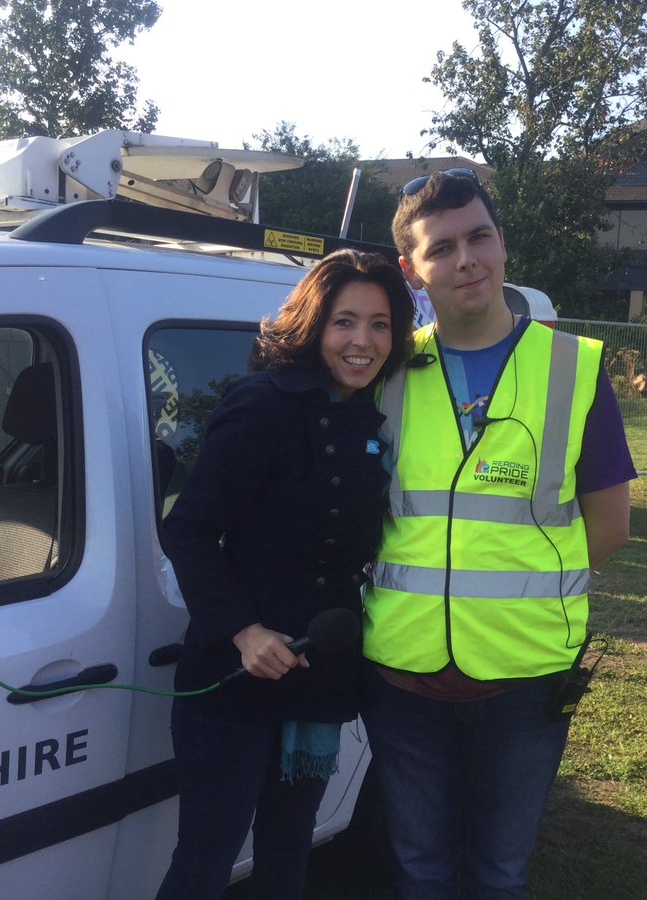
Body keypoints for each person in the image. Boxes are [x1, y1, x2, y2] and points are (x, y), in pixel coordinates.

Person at [361, 169, 637, 900]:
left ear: (503, 243)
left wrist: (513, 601)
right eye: (442, 247)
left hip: (524, 677)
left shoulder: (574, 369)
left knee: (498, 872)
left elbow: (610, 526)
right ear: (411, 270)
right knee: (418, 870)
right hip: (401, 673)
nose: (467, 261)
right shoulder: (386, 369)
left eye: (479, 237)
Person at [155, 248, 415, 900]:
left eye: (380, 324)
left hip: (317, 672)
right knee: (205, 861)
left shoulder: (374, 413)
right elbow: (187, 530)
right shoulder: (262, 404)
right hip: (235, 676)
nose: (363, 341)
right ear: (313, 324)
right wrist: (244, 630)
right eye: (344, 322)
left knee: (287, 853)